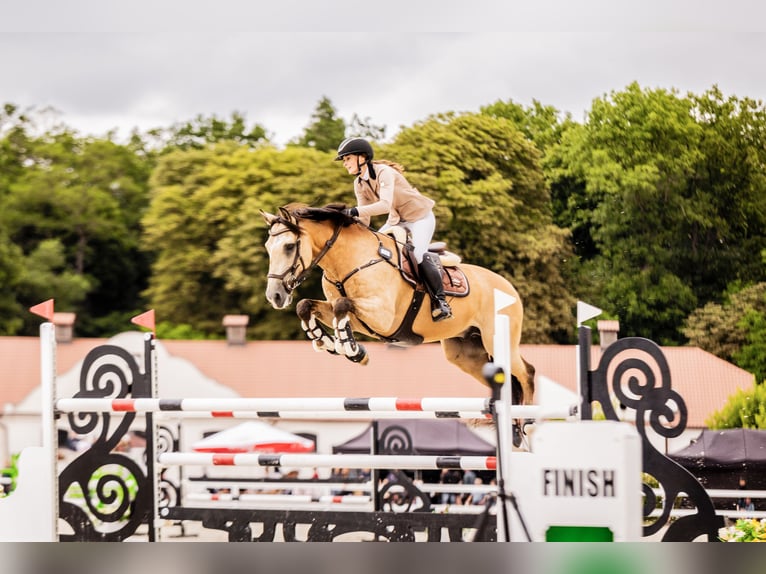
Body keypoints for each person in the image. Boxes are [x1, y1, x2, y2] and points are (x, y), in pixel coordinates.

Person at [335, 137, 452, 321]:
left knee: (418, 254)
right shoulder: (359, 183)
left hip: (420, 217)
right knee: (373, 249)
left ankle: (441, 302)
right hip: (396, 220)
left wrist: (353, 211)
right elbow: (365, 220)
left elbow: (384, 205)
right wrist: (348, 227)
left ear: (361, 157)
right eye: (344, 160)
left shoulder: (384, 172)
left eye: (347, 158)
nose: (345, 164)